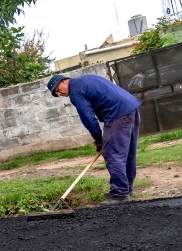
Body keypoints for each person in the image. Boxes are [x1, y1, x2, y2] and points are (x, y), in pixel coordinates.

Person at [47, 73, 141, 204]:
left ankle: (120, 194)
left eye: (57, 90)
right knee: (127, 153)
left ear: (63, 81)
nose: (59, 94)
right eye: (56, 94)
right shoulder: (86, 79)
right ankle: (126, 190)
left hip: (117, 114)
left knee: (113, 154)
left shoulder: (76, 91)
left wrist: (99, 140)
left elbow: (88, 119)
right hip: (131, 109)